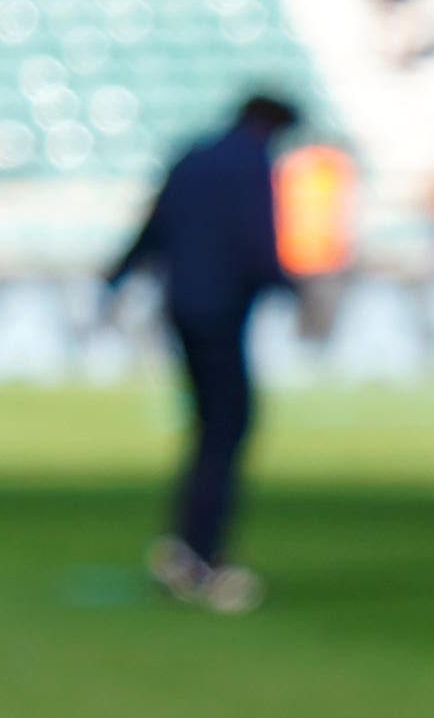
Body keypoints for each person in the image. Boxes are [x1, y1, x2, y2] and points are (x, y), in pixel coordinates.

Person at [108, 89, 301, 612]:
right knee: (227, 426)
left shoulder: (194, 154)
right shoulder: (251, 162)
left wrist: (116, 278)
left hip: (182, 306)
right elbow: (257, 238)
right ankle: (202, 557)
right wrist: (293, 289)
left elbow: (155, 223)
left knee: (209, 427)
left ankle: (183, 546)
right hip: (220, 310)